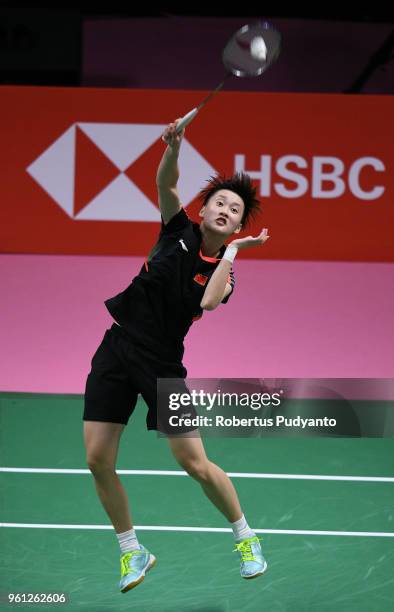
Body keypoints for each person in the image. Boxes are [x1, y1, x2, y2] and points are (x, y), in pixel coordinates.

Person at [83, 118, 270, 593]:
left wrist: (232, 254)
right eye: (220, 202)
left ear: (238, 226)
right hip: (117, 347)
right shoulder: (175, 230)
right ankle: (132, 551)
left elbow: (207, 301)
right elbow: (165, 181)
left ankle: (245, 537)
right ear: (203, 208)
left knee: (194, 462)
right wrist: (175, 144)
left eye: (236, 210)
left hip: (163, 366)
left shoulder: (224, 271)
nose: (226, 210)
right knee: (97, 460)